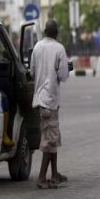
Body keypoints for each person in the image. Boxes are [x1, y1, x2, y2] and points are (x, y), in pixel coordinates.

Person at [31, 19, 70, 189]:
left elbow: (32, 71)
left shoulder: (37, 47)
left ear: (45, 31)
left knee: (52, 137)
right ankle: (41, 178)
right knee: (49, 140)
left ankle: (54, 175)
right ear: (56, 33)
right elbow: (63, 75)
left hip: (40, 98)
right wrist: (68, 68)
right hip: (51, 99)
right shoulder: (59, 48)